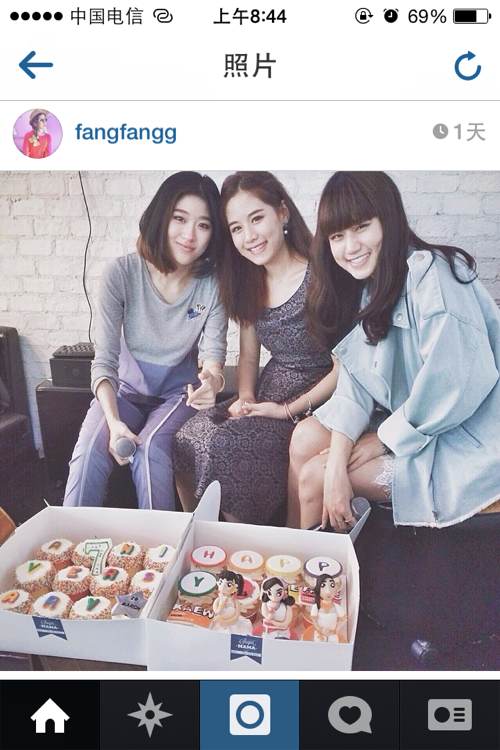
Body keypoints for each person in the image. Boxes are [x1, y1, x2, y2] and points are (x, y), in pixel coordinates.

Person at [289, 171, 500, 531]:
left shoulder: (434, 275)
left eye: (361, 227)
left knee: (314, 477)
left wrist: (384, 440)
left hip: (467, 437)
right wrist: (337, 462)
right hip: (415, 423)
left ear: (388, 219)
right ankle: (286, 551)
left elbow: (453, 386)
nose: (350, 247)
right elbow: (355, 386)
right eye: (337, 236)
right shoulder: (371, 287)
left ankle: (309, 564)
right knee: (305, 439)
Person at [173, 171, 339, 525]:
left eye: (256, 218)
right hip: (269, 391)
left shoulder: (322, 275)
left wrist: (285, 410)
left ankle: (246, 545)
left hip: (319, 400)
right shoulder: (249, 280)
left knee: (229, 445)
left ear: (282, 212)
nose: (249, 236)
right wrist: (245, 398)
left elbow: (346, 368)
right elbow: (249, 355)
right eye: (236, 228)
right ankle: (202, 536)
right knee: (189, 435)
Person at [64, 172, 228, 510]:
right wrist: (113, 423)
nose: (189, 235)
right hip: (124, 392)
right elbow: (104, 362)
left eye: (203, 225)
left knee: (151, 449)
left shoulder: (213, 286)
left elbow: (213, 360)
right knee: (88, 451)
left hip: (178, 395)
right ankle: (67, 538)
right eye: (179, 219)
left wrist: (212, 383)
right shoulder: (121, 274)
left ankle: (160, 544)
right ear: (161, 217)